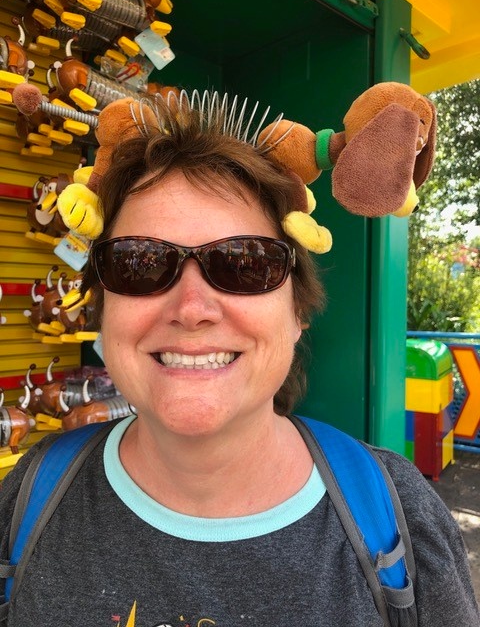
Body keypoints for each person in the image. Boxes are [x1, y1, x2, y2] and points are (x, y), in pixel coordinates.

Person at [1, 92, 479, 627]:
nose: (192, 309)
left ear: (297, 311)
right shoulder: (28, 498)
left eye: (243, 264)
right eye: (140, 263)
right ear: (102, 308)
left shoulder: (398, 519)